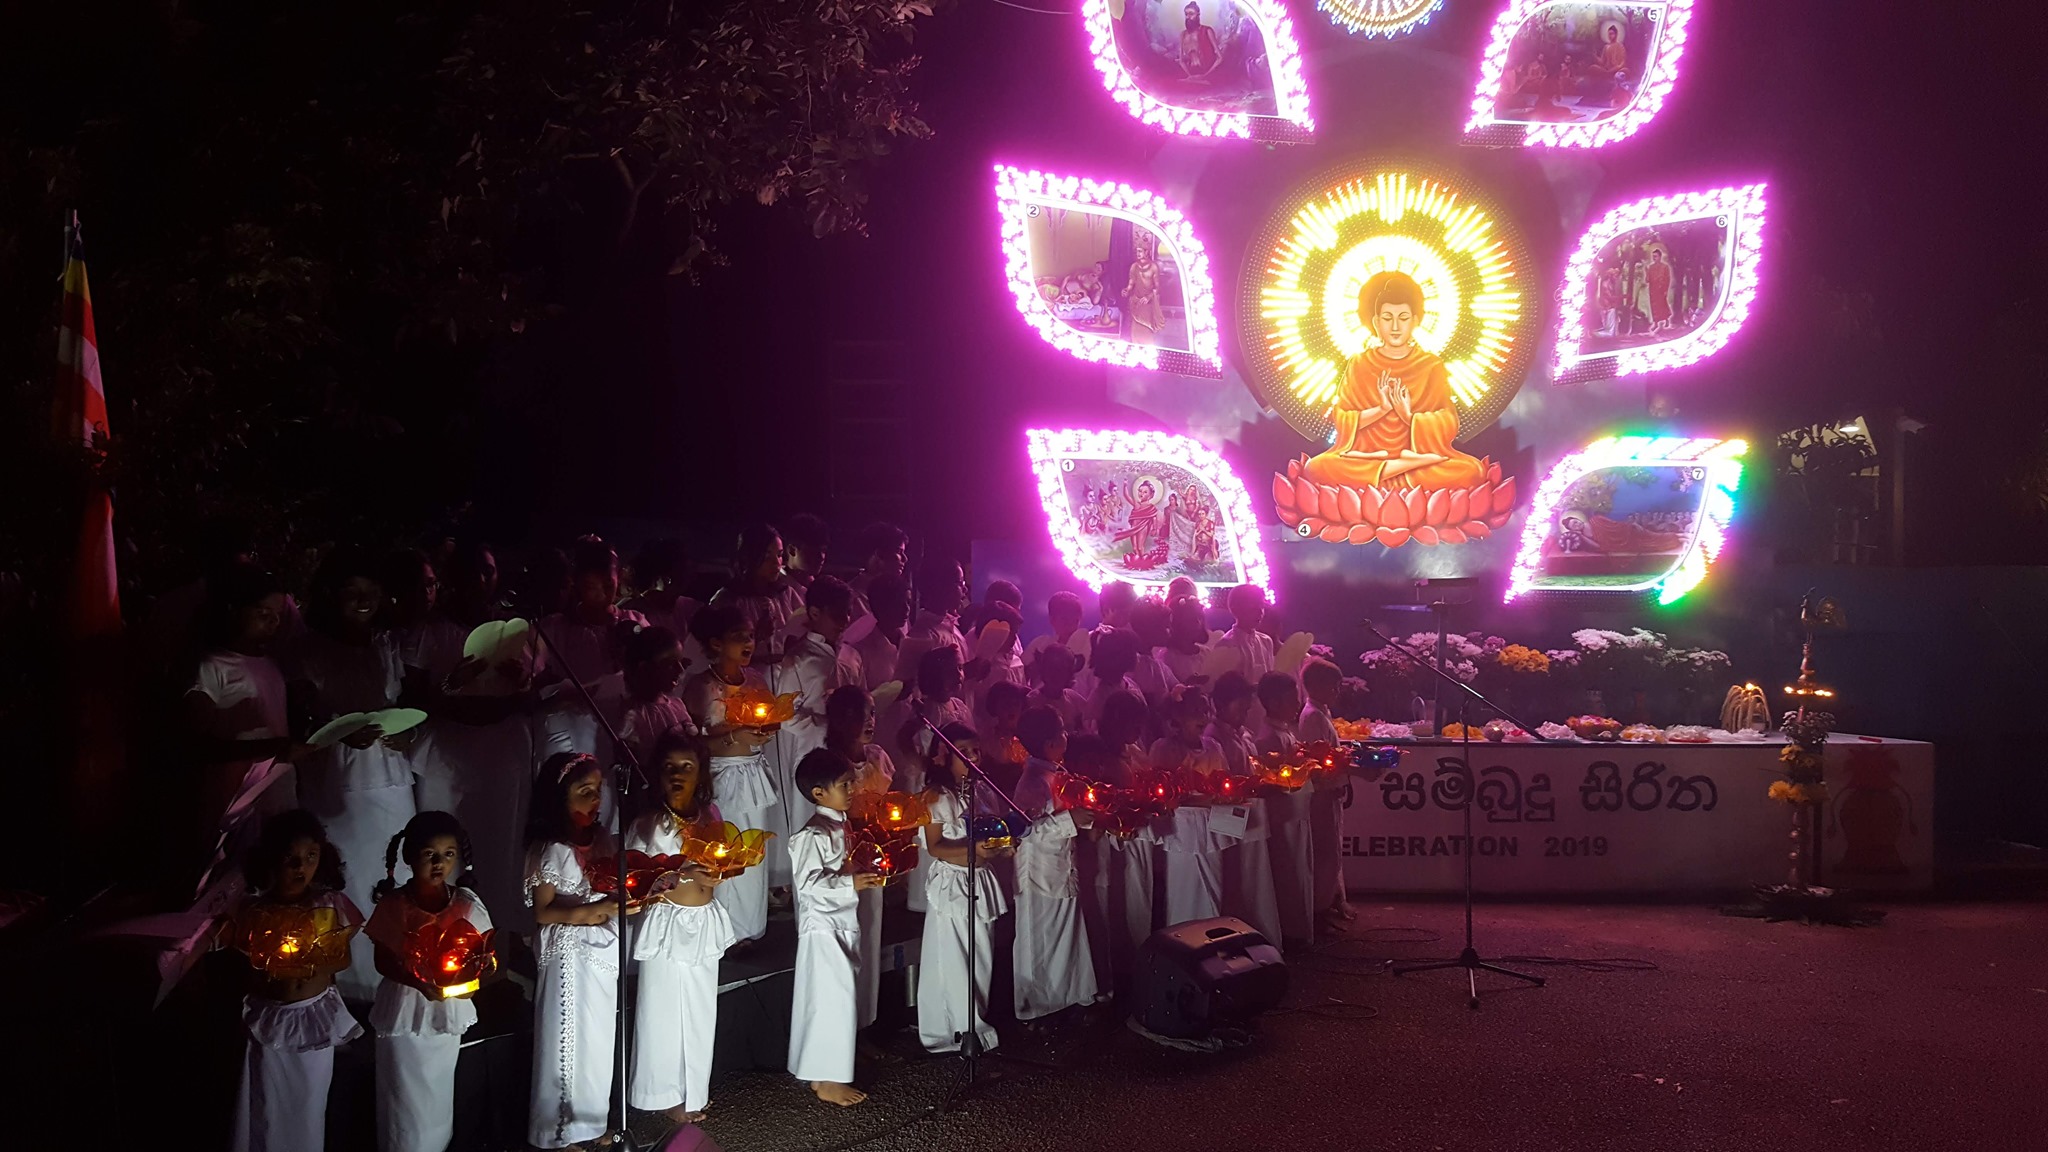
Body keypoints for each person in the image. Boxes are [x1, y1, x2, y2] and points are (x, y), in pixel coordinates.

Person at [283, 546, 413, 999]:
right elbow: (297, 720)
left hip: (392, 782)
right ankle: (348, 986)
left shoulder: (387, 644)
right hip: (337, 785)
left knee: (391, 874)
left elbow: (403, 705)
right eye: (351, 591)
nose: (363, 600)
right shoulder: (307, 651)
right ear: (330, 595)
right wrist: (337, 732)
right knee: (348, 880)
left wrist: (406, 734)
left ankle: (392, 977)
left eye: (371, 591)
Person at [396, 541, 539, 938]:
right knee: (447, 849)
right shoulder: (430, 632)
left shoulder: (514, 631)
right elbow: (413, 700)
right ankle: (439, 938)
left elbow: (531, 699)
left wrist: (519, 684)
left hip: (504, 753)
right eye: (470, 572)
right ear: (452, 580)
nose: (480, 581)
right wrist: (452, 682)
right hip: (449, 756)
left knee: (501, 849)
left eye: (488, 572)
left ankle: (496, 944)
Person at [228, 811, 362, 1152]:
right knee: (268, 1106)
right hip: (270, 1020)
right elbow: (246, 961)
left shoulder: (326, 906)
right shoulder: (256, 911)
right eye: (291, 858)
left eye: (310, 857)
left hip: (313, 1019)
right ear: (271, 859)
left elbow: (342, 958)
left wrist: (310, 960)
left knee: (309, 1106)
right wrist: (271, 961)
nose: (301, 866)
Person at [366, 811, 491, 1152]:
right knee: (403, 1096)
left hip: (444, 1011)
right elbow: (381, 961)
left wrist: (466, 978)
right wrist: (418, 982)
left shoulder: (465, 905)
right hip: (405, 1009)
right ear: (409, 856)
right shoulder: (396, 905)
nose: (439, 863)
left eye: (448, 854)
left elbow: (484, 958)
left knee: (437, 1094)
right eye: (429, 855)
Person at [626, 733, 734, 1125]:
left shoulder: (712, 815)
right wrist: (678, 871)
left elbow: (719, 861)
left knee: (701, 1009)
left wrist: (722, 870)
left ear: (700, 773)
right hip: (667, 923)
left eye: (686, 767)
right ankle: (662, 1094)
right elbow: (638, 881)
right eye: (669, 767)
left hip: (703, 920)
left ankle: (693, 1090)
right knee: (662, 1011)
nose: (677, 775)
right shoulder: (648, 824)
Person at [524, 752, 629, 1150]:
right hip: (569, 954)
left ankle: (590, 1121)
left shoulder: (600, 838)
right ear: (559, 798)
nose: (595, 799)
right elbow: (544, 911)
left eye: (598, 791)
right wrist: (595, 910)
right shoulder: (551, 847)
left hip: (600, 950)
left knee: (597, 1040)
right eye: (584, 792)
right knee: (566, 1038)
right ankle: (560, 1133)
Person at [1299, 271, 1488, 491]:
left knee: (1471, 471)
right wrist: (1381, 409)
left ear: (1416, 321)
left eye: (1403, 318)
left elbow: (1448, 421)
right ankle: (1401, 467)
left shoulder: (1431, 366)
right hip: (1369, 457)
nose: (1395, 327)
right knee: (1317, 467)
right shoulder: (1360, 363)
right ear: (1376, 322)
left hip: (1415, 458)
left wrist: (1408, 417)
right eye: (1388, 318)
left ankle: (1397, 469)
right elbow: (1342, 417)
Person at [787, 748, 887, 1106]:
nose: (853, 790)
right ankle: (827, 1079)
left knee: (838, 998)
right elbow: (808, 883)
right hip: (823, 927)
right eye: (845, 784)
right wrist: (850, 884)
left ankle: (824, 1069)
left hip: (841, 922)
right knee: (832, 999)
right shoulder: (812, 834)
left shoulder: (840, 826)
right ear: (818, 792)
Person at [683, 603, 781, 944]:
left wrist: (763, 730)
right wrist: (733, 736)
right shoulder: (701, 686)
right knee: (726, 847)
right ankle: (724, 933)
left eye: (751, 636)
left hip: (752, 773)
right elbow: (692, 743)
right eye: (739, 637)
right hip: (721, 776)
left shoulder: (755, 680)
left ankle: (750, 929)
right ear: (715, 643)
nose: (748, 642)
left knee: (752, 850)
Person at [187, 564, 303, 839]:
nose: (273, 622)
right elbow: (195, 746)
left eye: (277, 615)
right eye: (263, 613)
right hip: (235, 802)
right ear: (233, 610)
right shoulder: (211, 667)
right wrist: (271, 749)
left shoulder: (272, 666)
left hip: (277, 795)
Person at [916, 722, 1010, 1054]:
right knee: (956, 958)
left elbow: (988, 833)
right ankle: (959, 1029)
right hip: (954, 884)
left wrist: (999, 847)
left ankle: (976, 1021)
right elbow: (936, 847)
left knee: (980, 955)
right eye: (964, 752)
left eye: (975, 750)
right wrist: (974, 850)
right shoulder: (938, 797)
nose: (973, 758)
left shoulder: (981, 790)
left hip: (981, 879)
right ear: (942, 757)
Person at [768, 576, 859, 890]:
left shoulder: (850, 656)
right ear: (815, 612)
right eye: (837, 614)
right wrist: (827, 721)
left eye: (848, 614)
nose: (845, 621)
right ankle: (809, 901)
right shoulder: (800, 659)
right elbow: (785, 716)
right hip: (811, 755)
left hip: (845, 751)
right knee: (811, 825)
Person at [1012, 705, 1099, 1022]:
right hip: (1039, 874)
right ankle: (1034, 1007)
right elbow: (1025, 831)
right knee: (1040, 940)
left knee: (1066, 934)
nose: (1067, 736)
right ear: (1050, 743)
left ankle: (1067, 998)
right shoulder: (1033, 782)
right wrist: (1069, 820)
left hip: (1062, 866)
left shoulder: (1057, 773)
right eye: (1062, 730)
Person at [534, 536, 648, 775]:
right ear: (575, 584)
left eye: (608, 584)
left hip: (624, 731)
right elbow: (534, 682)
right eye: (590, 587)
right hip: (571, 731)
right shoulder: (554, 628)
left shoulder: (634, 622)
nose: (601, 594)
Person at [822, 685, 896, 1030]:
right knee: (845, 940)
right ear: (838, 720)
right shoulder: (825, 763)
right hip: (842, 860)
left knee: (870, 936)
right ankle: (841, 1028)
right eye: (859, 714)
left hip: (873, 857)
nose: (869, 721)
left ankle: (864, 1023)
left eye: (872, 713)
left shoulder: (878, 757)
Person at [1208, 672, 1281, 946]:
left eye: (1248, 708)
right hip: (1230, 818)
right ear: (1220, 704)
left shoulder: (1242, 734)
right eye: (1241, 708)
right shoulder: (1213, 738)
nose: (1245, 713)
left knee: (1254, 877)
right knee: (1235, 877)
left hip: (1251, 813)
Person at [1095, 690, 1158, 983]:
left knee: (1139, 897)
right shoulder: (1102, 757)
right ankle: (1119, 965)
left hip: (1139, 837)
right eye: (1133, 724)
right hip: (1116, 841)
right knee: (1119, 900)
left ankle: (1139, 956)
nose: (1138, 731)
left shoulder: (1134, 751)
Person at [1150, 688, 1228, 924]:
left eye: (1205, 710)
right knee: (1183, 889)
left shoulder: (1213, 747)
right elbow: (1160, 789)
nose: (1202, 717)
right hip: (1180, 832)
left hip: (1210, 830)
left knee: (1212, 888)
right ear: (1178, 717)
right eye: (1195, 712)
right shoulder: (1163, 748)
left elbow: (1223, 782)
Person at [1255, 672, 1315, 945]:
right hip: (1283, 816)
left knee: (1300, 868)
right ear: (1274, 703)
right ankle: (1290, 932)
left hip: (1297, 811)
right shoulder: (1269, 737)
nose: (1297, 705)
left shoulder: (1284, 732)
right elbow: (1276, 778)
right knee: (1288, 871)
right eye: (1292, 700)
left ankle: (1300, 927)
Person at [1299, 657, 1354, 928]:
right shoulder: (1312, 717)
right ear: (1315, 686)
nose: (1337, 692)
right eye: (1333, 686)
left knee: (1332, 851)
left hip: (1331, 790)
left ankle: (1330, 902)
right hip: (1321, 792)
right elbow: (1320, 761)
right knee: (1324, 854)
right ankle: (1317, 913)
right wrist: (1354, 768)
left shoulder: (1321, 712)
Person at [711, 524, 804, 667]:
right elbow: (718, 655)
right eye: (767, 556)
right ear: (749, 557)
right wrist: (757, 638)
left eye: (779, 555)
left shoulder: (786, 594)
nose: (776, 563)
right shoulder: (729, 599)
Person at [618, 623, 697, 773]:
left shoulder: (677, 705)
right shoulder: (634, 715)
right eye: (670, 665)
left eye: (682, 663)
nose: (680, 670)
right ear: (644, 668)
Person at [1212, 584, 1276, 726]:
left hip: (1266, 716)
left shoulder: (1266, 641)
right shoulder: (1226, 645)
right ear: (1235, 609)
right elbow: (1225, 691)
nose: (1259, 612)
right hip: (1241, 719)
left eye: (1261, 606)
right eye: (1253, 607)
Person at [901, 555, 970, 675]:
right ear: (940, 586)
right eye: (959, 583)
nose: (965, 589)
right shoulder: (923, 636)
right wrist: (968, 672)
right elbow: (922, 687)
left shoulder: (951, 626)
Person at [839, 573, 908, 692]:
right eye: (899, 603)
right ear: (880, 607)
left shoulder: (909, 644)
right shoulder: (862, 652)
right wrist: (891, 696)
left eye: (908, 602)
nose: (907, 608)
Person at [1081, 628, 1146, 728]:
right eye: (1134, 651)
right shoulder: (1100, 699)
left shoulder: (1129, 683)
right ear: (1121, 656)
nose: (1138, 656)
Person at [847, 522, 909, 620]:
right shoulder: (851, 599)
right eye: (898, 552)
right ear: (879, 554)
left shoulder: (897, 597)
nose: (905, 559)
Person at [1127, 598, 1181, 710]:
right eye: (1166, 626)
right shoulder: (1131, 665)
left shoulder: (1158, 665)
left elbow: (1176, 686)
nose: (1171, 630)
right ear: (1148, 627)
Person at [1022, 590, 1090, 675]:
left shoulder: (1090, 644)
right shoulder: (1039, 645)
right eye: (1065, 620)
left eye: (1075, 621)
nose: (1071, 625)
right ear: (1052, 619)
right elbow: (1022, 675)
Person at [1025, 643, 1089, 735]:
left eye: (1061, 670)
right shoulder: (1032, 701)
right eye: (1051, 669)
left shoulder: (1075, 699)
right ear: (1043, 670)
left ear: (1069, 674)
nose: (1055, 675)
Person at [1159, 594, 1212, 687]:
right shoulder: (1168, 657)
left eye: (1200, 617)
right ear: (1176, 623)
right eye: (1191, 619)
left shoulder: (1206, 653)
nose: (1198, 623)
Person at [781, 513, 830, 595]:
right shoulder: (776, 592)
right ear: (792, 550)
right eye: (814, 551)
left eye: (823, 551)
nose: (821, 557)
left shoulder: (819, 588)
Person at [1177, 2, 1221, 79]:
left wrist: (1205, 76)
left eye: (1191, 14)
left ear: (1198, 14)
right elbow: (1181, 61)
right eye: (1186, 14)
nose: (1188, 17)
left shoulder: (1207, 31)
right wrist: (1190, 76)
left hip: (1208, 73)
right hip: (1190, 74)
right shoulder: (1183, 34)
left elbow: (1220, 58)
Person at [1646, 248, 1674, 332]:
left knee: (1663, 305)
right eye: (1653, 257)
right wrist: (1646, 272)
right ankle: (1655, 323)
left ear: (1660, 257)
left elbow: (1667, 279)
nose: (1654, 258)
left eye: (1656, 256)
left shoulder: (1665, 267)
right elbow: (1647, 280)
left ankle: (1666, 320)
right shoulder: (1650, 267)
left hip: (1661, 290)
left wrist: (1665, 289)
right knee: (1654, 307)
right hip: (1653, 290)